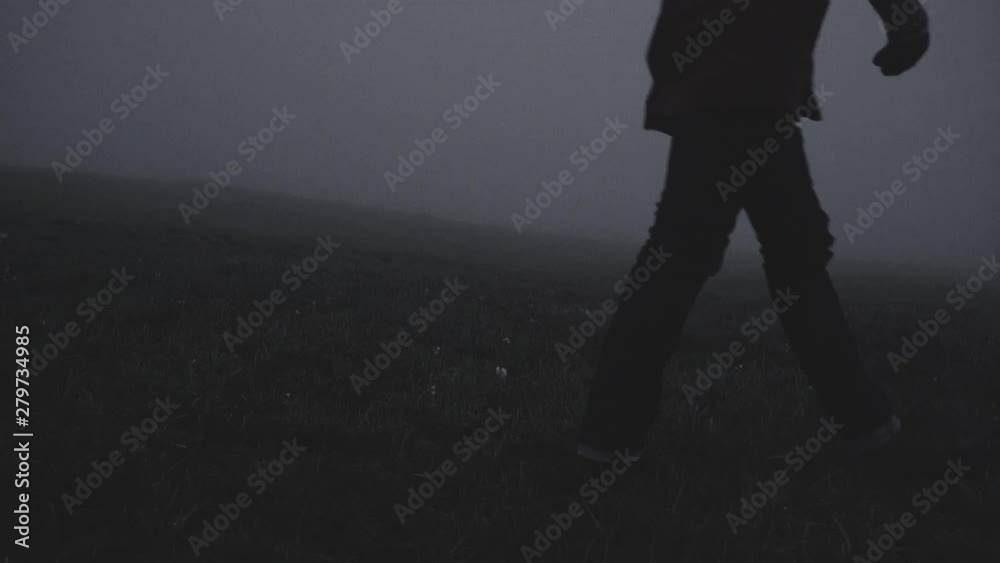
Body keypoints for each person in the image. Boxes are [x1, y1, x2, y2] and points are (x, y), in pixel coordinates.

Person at [577, 0, 931, 463]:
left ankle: (608, 436)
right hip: (758, 97)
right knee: (793, 264)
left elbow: (672, 35)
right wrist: (909, 32)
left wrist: (677, 66)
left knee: (683, 260)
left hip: (710, 98)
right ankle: (866, 425)